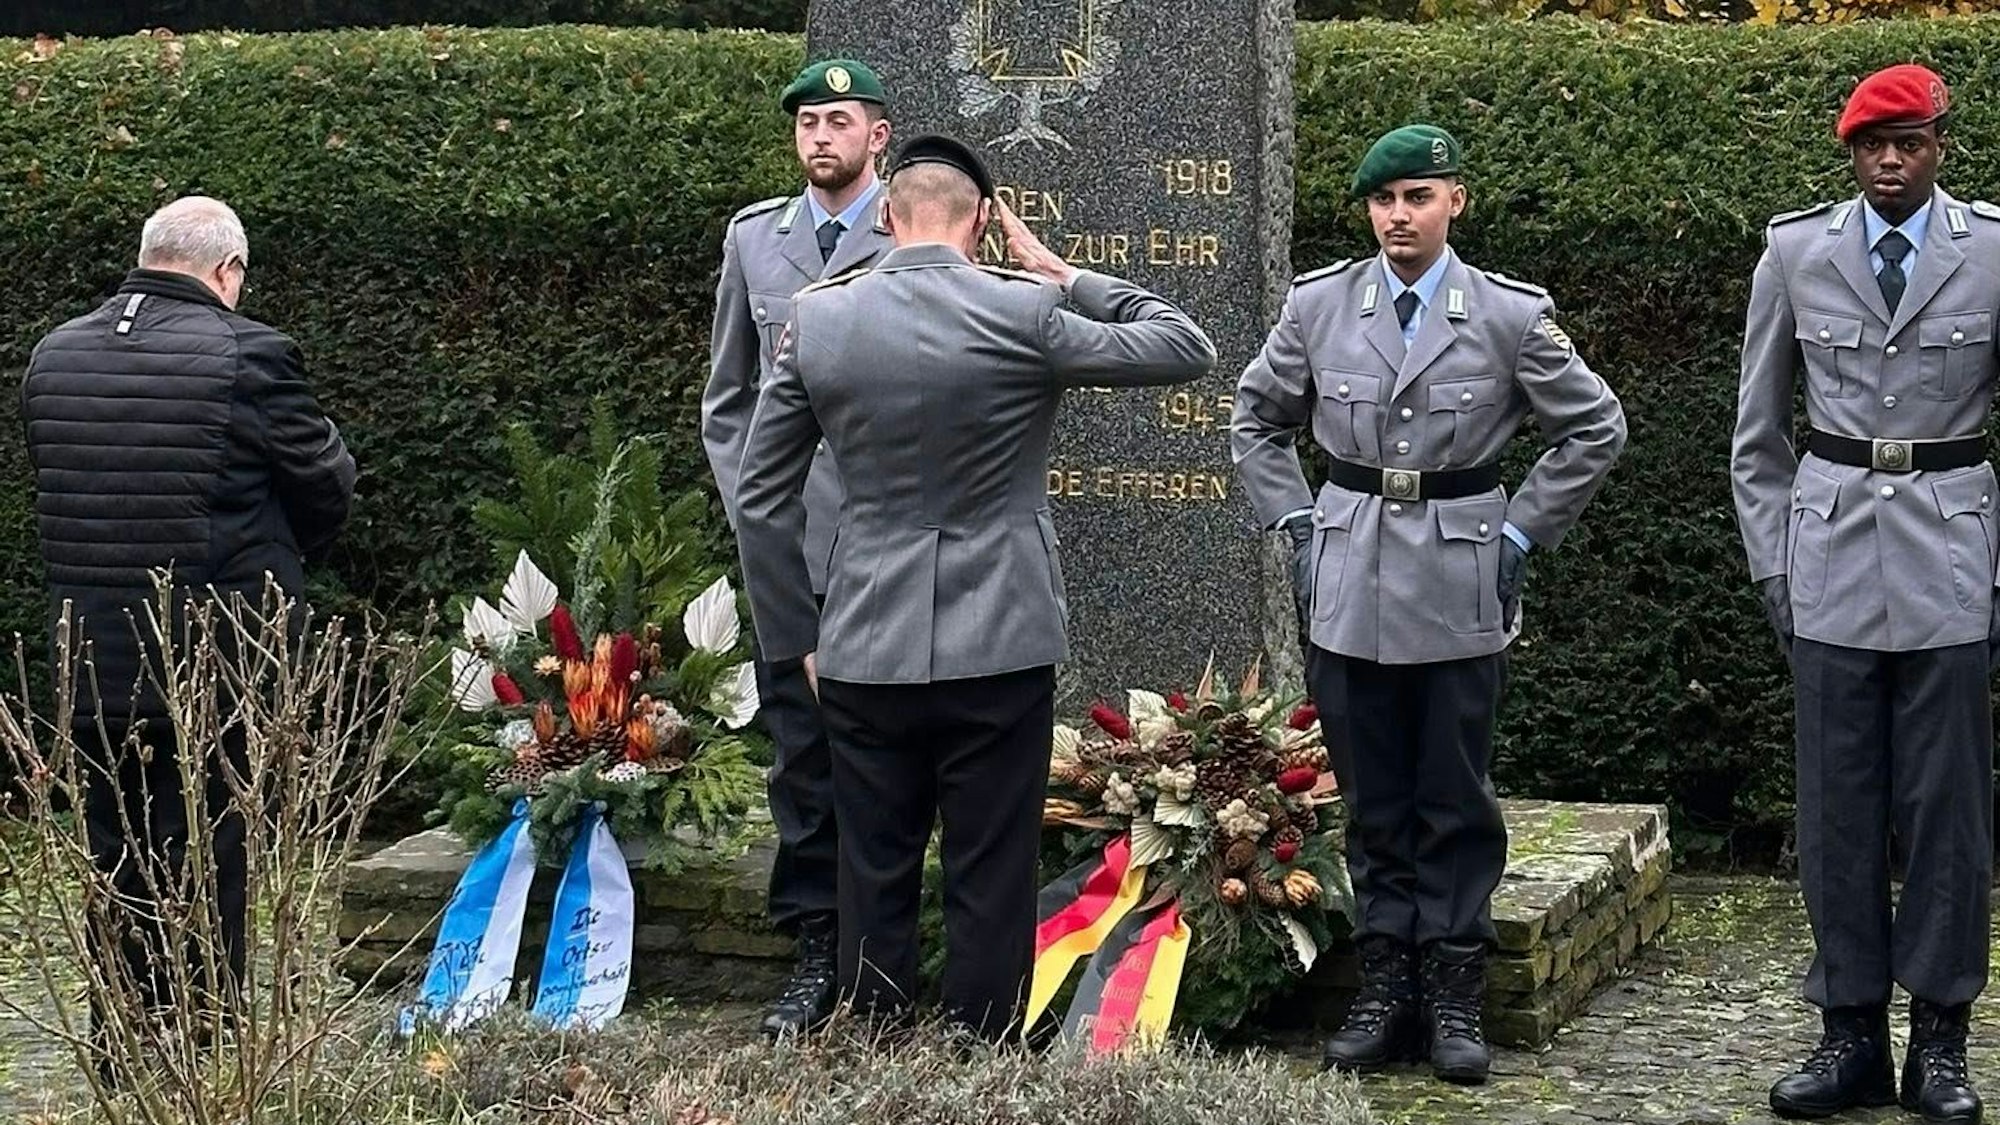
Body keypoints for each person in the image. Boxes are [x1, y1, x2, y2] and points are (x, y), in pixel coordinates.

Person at [732, 133, 1215, 1039]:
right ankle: (981, 1047)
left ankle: (874, 1035)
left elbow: (763, 496)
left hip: (863, 636)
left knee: (872, 857)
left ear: (885, 215)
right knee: (991, 862)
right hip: (1003, 632)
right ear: (985, 222)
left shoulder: (820, 317)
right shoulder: (1023, 310)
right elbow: (1185, 343)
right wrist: (1063, 272)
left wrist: (797, 634)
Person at [1231, 124, 1626, 1085]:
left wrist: (1522, 531)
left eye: (1417, 197)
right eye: (1382, 201)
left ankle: (1454, 991)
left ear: (1455, 201)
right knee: (1373, 796)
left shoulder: (1505, 314)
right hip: (1350, 573)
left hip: (1458, 574)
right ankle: (1386, 982)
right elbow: (1257, 417)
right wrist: (1296, 524)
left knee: (1452, 792)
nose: (1398, 217)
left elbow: (1594, 425)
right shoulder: (1322, 304)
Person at [20, 195, 355, 1054]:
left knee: (114, 855)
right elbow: (324, 485)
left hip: (93, 659)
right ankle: (201, 1053)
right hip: (216, 657)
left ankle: (124, 1044)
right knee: (211, 857)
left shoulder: (55, 355)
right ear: (227, 271)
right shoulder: (248, 355)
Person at [1733, 64, 1995, 1124]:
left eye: (1909, 143)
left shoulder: (1989, 250)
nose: (1889, 162)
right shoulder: (1796, 250)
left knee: (1945, 811)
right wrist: (1772, 563)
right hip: (1831, 554)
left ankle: (1938, 1041)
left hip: (1947, 555)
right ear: (1848, 152)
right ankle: (1846, 1034)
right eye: (1871, 146)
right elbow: (1756, 437)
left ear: (1940, 145)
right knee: (1837, 807)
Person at [699, 57, 897, 1039]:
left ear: (878, 138)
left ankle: (885, 955)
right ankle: (815, 949)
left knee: (894, 753)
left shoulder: (916, 233)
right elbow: (726, 402)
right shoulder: (753, 241)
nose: (819, 136)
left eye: (838, 120)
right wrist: (756, 517)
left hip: (888, 541)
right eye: (807, 122)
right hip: (789, 554)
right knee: (800, 761)